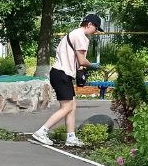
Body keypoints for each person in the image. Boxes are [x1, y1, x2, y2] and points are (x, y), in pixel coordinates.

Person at [31, 13, 103, 147]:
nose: (96, 32)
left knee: (72, 106)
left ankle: (71, 137)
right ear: (90, 25)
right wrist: (92, 65)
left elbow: (76, 61)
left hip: (60, 74)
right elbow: (82, 60)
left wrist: (81, 69)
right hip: (62, 74)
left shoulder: (73, 34)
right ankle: (42, 131)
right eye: (96, 28)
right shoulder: (81, 37)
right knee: (67, 107)